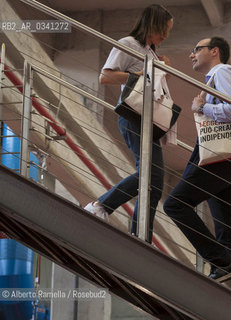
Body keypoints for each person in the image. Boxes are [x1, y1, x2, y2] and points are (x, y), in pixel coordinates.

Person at [163, 36, 231, 295]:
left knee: (174, 204)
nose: (191, 55)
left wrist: (203, 108)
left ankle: (220, 263)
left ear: (214, 51)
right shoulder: (213, 79)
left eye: (196, 49)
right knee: (228, 235)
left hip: (224, 160)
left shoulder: (223, 71)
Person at [84, 4, 174, 244]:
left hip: (149, 121)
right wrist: (144, 74)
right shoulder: (128, 44)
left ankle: (141, 236)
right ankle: (101, 206)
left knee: (154, 182)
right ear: (151, 24)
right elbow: (106, 76)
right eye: (163, 29)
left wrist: (159, 69)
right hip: (134, 117)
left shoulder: (151, 53)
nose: (165, 36)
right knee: (150, 175)